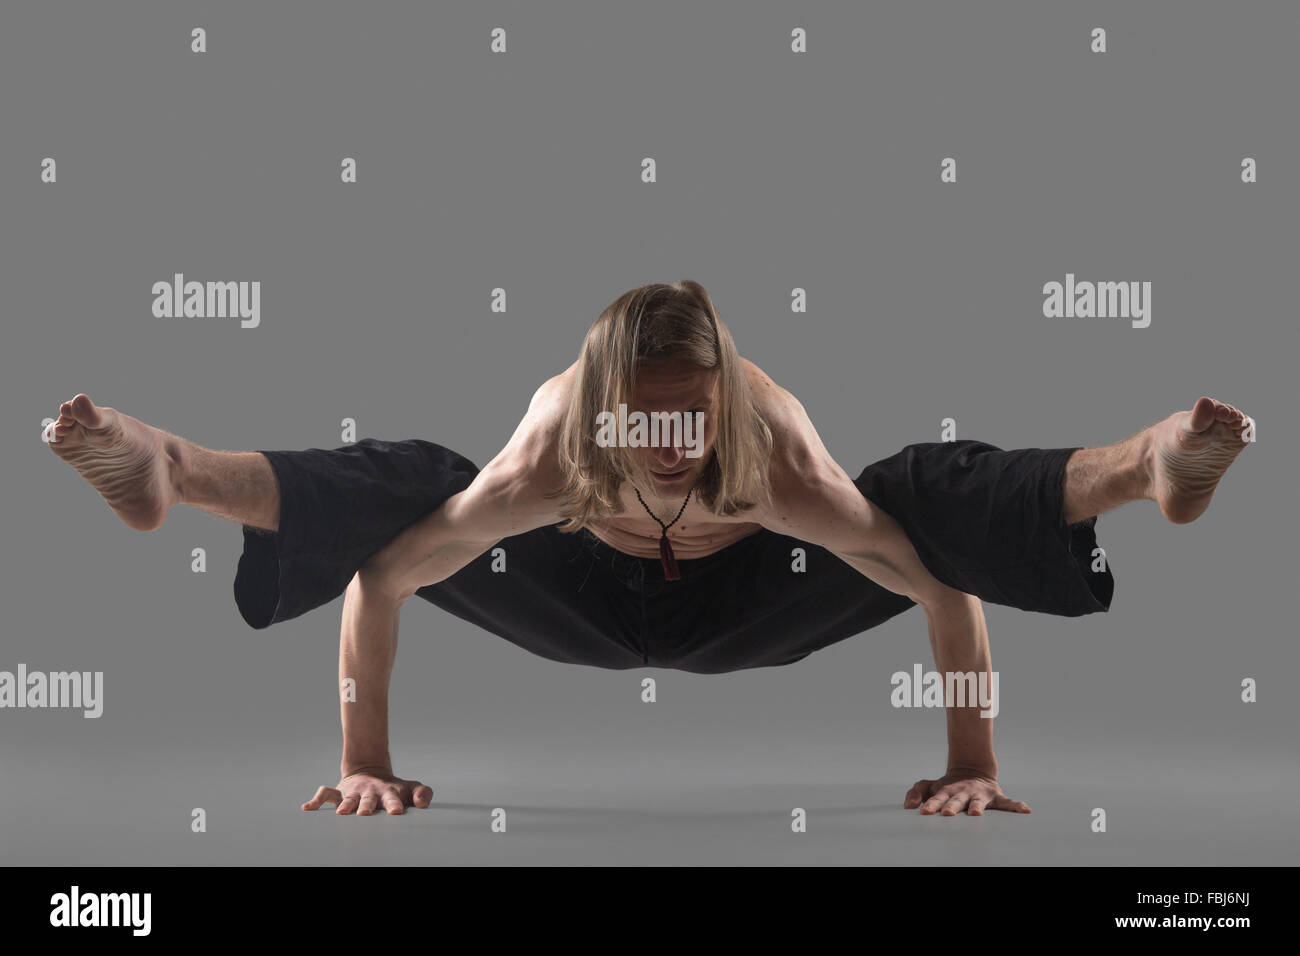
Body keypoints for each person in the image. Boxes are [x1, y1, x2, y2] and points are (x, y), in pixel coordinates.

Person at [45, 280, 1253, 819]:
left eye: (696, 414)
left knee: (924, 494)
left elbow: (934, 581)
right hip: (572, 591)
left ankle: (1138, 466)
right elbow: (389, 571)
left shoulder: (772, 452)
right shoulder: (548, 449)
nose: (673, 442)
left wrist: (969, 758)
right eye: (647, 417)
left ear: (726, 398)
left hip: (755, 599)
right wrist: (368, 760)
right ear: (603, 404)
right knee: (415, 485)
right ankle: (176, 467)